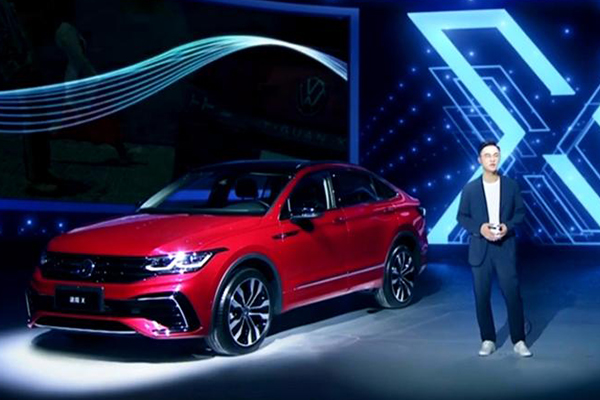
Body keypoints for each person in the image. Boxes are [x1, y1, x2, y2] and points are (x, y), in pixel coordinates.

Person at [457, 140, 532, 357]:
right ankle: (488, 339)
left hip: (504, 247)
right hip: (480, 249)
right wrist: (480, 228)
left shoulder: (511, 186)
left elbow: (520, 213)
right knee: (482, 297)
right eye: (487, 155)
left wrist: (507, 226)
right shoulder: (470, 188)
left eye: (495, 155)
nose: (492, 159)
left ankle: (519, 340)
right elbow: (462, 216)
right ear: (479, 160)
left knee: (512, 294)